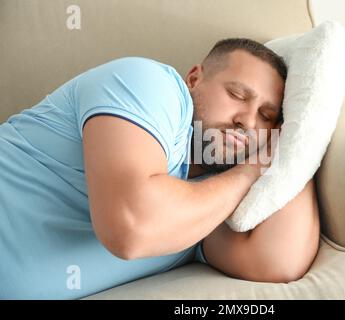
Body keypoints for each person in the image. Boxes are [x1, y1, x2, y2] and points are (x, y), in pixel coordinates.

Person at [0, 38, 320, 299]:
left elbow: (278, 261)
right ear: (194, 78)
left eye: (266, 116)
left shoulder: (205, 205)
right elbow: (131, 227)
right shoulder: (149, 85)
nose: (247, 121)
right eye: (237, 95)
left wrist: (293, 140)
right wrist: (249, 172)